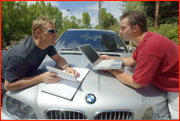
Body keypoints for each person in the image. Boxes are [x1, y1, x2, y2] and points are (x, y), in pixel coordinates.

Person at [100, 11, 179, 119]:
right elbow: (133, 60)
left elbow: (136, 83)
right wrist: (111, 59)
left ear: (135, 28)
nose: (120, 31)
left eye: (123, 28)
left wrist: (111, 70)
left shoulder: (149, 47)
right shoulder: (145, 41)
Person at [1, 15, 80, 99]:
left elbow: (58, 58)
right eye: (51, 31)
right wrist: (40, 78)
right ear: (38, 33)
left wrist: (66, 67)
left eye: (55, 31)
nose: (56, 35)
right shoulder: (21, 56)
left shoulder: (47, 45)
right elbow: (8, 86)